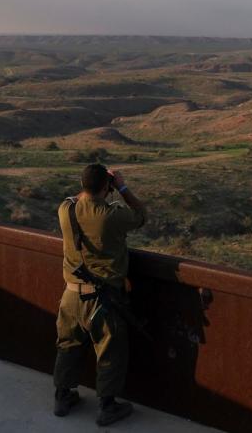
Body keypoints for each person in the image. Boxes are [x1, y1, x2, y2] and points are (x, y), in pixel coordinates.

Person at [53, 163, 147, 426]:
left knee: (67, 345)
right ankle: (107, 406)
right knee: (109, 351)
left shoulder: (66, 208)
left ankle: (63, 397)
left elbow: (82, 195)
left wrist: (96, 184)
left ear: (82, 184)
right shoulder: (112, 216)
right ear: (106, 187)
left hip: (71, 296)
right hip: (103, 300)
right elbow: (141, 214)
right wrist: (122, 187)